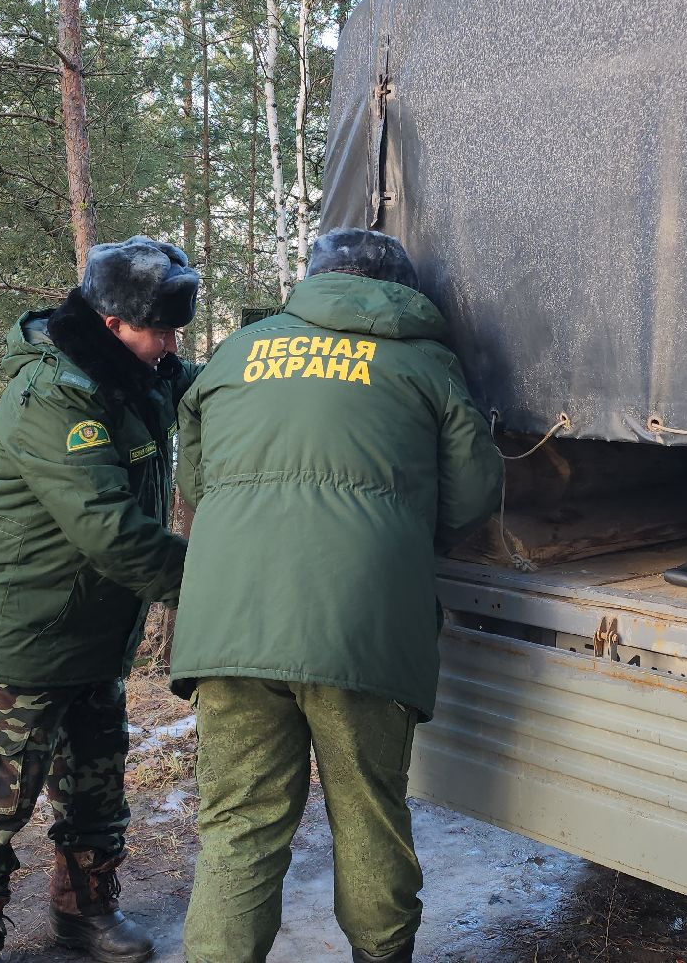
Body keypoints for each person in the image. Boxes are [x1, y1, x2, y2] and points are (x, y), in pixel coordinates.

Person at [170, 228, 504, 963]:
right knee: (367, 816)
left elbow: (196, 479)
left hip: (230, 622)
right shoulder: (425, 362)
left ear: (316, 280)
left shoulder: (238, 350)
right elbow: (474, 496)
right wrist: (404, 526)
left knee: (238, 827)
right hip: (362, 625)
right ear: (401, 290)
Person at [0, 237, 202, 963]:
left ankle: (85, 912)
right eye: (161, 330)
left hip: (92, 623)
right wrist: (218, 588)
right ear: (113, 324)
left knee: (96, 779)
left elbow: (214, 386)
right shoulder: (56, 393)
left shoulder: (139, 370)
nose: (172, 345)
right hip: (26, 628)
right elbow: (111, 531)